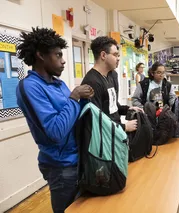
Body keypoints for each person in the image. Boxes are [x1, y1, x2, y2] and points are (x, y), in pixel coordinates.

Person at [16, 27, 94, 213]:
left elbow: (72, 116)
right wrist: (74, 98)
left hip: (79, 159)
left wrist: (83, 101)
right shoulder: (29, 87)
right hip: (61, 167)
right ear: (41, 55)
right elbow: (55, 132)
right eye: (58, 55)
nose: (63, 60)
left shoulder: (58, 84)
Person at [81, 36, 141, 132]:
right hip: (104, 138)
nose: (118, 59)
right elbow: (96, 119)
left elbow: (112, 106)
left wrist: (128, 109)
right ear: (103, 55)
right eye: (115, 55)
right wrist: (124, 127)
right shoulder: (92, 82)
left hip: (115, 133)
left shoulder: (112, 75)